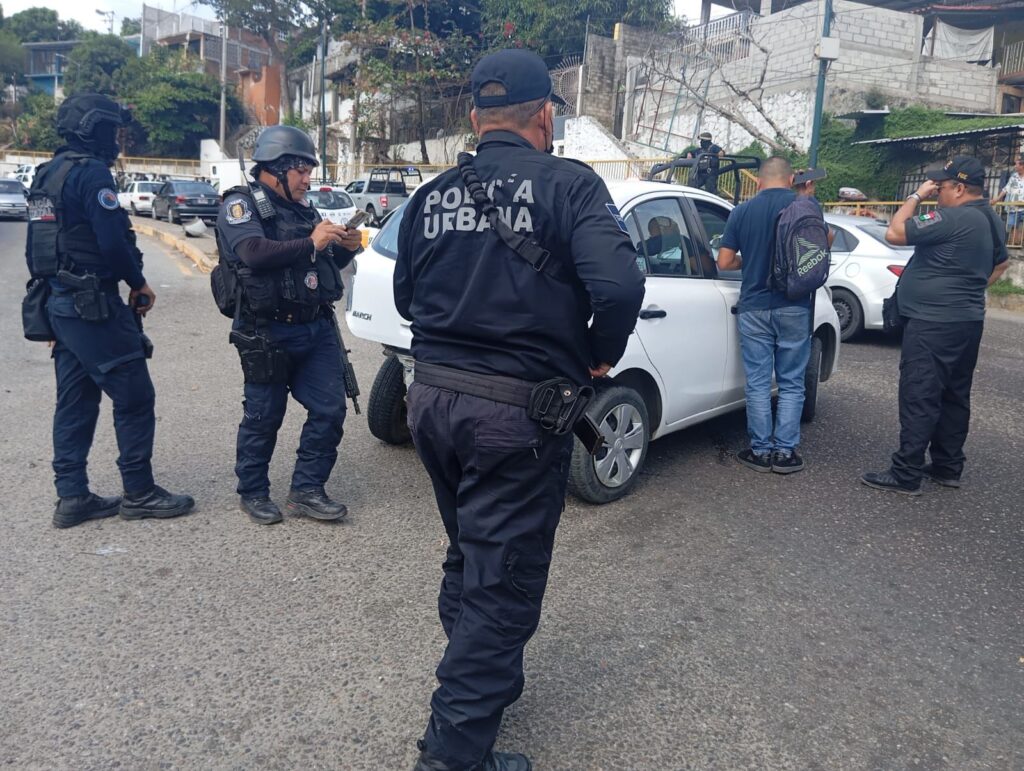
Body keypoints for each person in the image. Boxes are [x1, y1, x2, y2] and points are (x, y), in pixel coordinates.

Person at [395, 48, 645, 771]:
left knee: (470, 552)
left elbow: (408, 298)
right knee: (503, 584)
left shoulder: (432, 195)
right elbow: (619, 286)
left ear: (477, 119)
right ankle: (453, 753)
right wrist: (598, 353)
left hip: (432, 402)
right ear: (545, 118)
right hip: (514, 416)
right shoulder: (570, 184)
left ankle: (482, 678)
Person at [24, 93, 195, 529]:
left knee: (75, 400)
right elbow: (112, 242)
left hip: (61, 304)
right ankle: (139, 492)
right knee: (136, 396)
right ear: (94, 129)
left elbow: (38, 246)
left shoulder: (48, 173)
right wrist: (138, 283)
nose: (117, 139)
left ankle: (72, 497)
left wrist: (55, 302)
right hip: (92, 305)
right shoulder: (91, 173)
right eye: (113, 130)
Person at [214, 125, 361, 525]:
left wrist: (345, 249)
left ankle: (307, 490)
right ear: (275, 168)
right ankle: (253, 492)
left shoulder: (304, 211)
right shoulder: (241, 206)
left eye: (309, 171)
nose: (307, 179)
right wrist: (312, 242)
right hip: (267, 332)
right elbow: (253, 252)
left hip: (315, 328)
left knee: (330, 409)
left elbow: (320, 265)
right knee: (264, 416)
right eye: (301, 170)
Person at [861, 156, 1009, 494]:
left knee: (920, 393)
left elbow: (895, 232)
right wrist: (969, 290)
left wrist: (916, 197)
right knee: (955, 394)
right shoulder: (992, 219)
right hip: (967, 320)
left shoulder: (950, 217)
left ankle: (905, 473)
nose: (936, 192)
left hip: (933, 323)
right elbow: (1002, 264)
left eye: (940, 187)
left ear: (959, 188)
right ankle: (947, 466)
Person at [717, 156, 812, 474]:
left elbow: (724, 262)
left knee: (757, 382)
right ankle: (785, 453)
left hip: (755, 306)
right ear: (791, 180)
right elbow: (824, 243)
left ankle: (760, 451)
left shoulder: (741, 212)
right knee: (792, 382)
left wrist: (752, 259)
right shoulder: (803, 205)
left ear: (758, 182)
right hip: (795, 305)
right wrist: (808, 199)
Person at [991, 156, 1024, 244]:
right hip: (1013, 207)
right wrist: (996, 199)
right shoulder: (1014, 177)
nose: (1015, 166)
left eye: (1017, 164)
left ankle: (1020, 243)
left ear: (1022, 166)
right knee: (1013, 226)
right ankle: (1014, 243)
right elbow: (1006, 189)